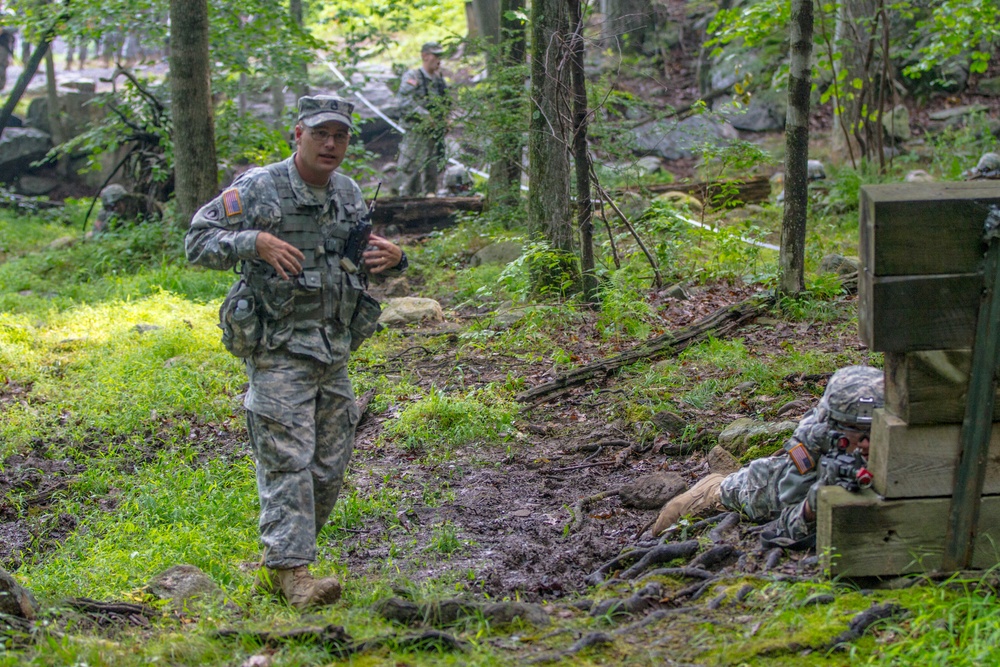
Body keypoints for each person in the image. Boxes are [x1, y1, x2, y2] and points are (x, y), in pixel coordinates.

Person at [185, 95, 407, 609]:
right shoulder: (259, 187)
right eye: (321, 134)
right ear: (298, 134)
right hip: (278, 348)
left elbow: (355, 260)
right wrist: (253, 242)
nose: (331, 144)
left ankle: (279, 564)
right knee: (288, 463)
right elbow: (197, 240)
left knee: (329, 467)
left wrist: (394, 259)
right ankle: (293, 574)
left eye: (341, 136)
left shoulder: (349, 194)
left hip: (333, 349)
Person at [652, 366, 884, 547]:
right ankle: (713, 481)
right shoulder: (810, 448)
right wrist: (812, 507)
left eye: (874, 429)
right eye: (856, 430)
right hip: (752, 490)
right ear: (832, 427)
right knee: (666, 523)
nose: (867, 442)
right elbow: (785, 523)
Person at [395, 41, 449, 197]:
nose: (438, 60)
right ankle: (406, 199)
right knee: (411, 165)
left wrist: (446, 119)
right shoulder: (413, 76)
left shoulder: (438, 80)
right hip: (416, 130)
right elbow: (404, 102)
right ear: (425, 56)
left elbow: (446, 102)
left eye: (440, 56)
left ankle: (430, 196)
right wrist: (426, 116)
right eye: (435, 55)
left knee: (432, 166)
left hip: (434, 132)